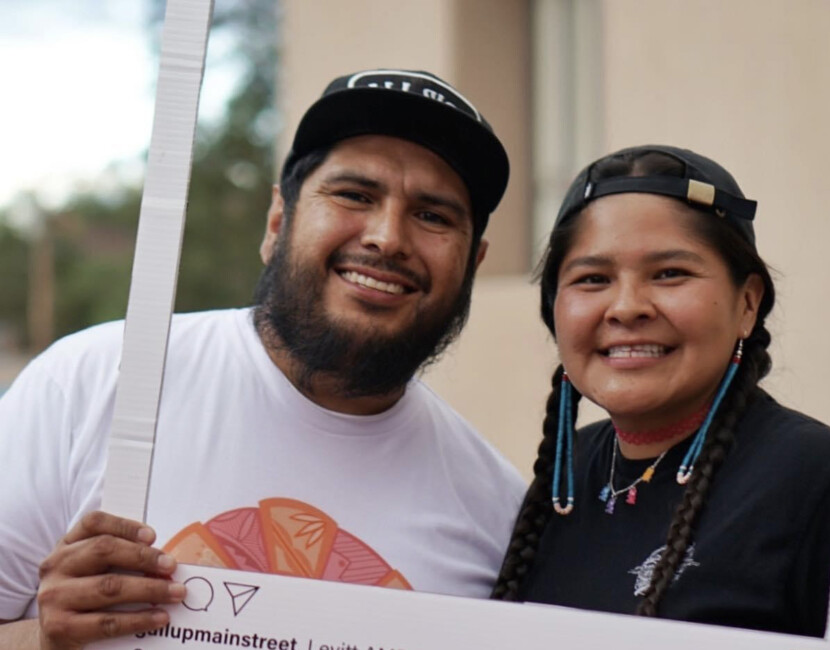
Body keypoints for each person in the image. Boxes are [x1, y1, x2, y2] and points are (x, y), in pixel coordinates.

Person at [0, 69, 525, 648]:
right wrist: (43, 639)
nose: (387, 237)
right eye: (355, 195)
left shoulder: (498, 515)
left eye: (433, 215)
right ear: (278, 222)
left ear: (471, 266)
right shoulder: (92, 382)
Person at [491, 145, 830, 649]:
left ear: (747, 303)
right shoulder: (562, 478)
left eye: (670, 273)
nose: (626, 307)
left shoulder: (823, 482)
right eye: (592, 280)